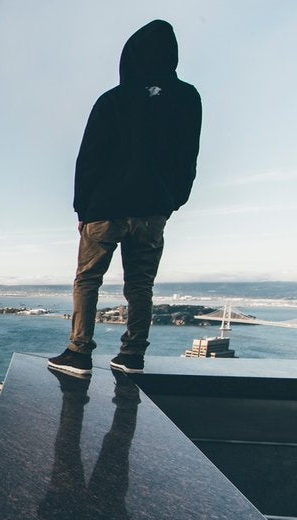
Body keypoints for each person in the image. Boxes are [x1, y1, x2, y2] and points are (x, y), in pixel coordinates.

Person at [48, 19, 201, 377]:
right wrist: (172, 200)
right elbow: (187, 156)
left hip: (105, 207)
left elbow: (89, 158)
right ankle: (132, 355)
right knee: (140, 285)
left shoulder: (113, 100)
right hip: (152, 209)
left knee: (88, 279)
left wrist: (82, 209)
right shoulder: (187, 98)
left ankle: (79, 352)